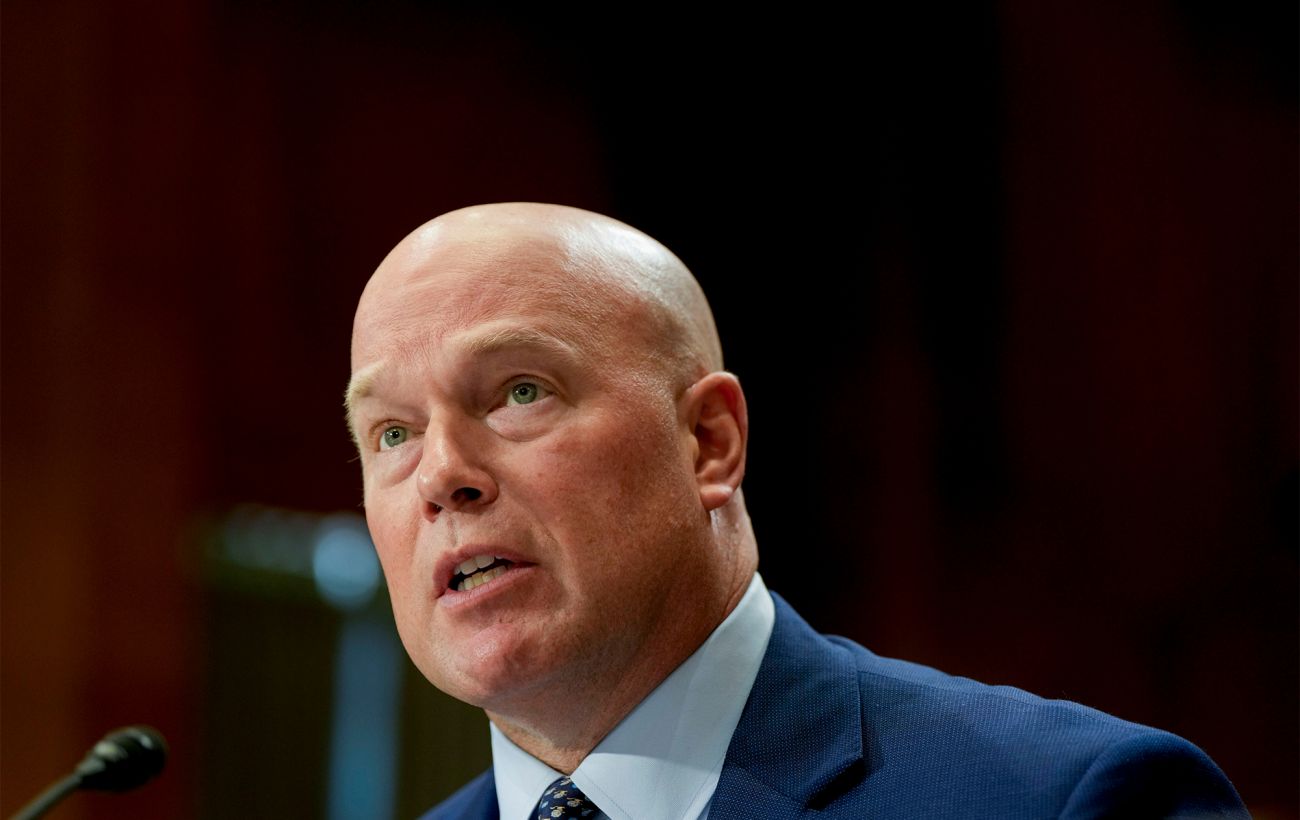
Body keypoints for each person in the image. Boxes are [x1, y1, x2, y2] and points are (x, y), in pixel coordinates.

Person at [345, 202, 1248, 820]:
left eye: (520, 391)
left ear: (709, 443)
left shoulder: (1067, 799)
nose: (442, 474)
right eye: (392, 433)